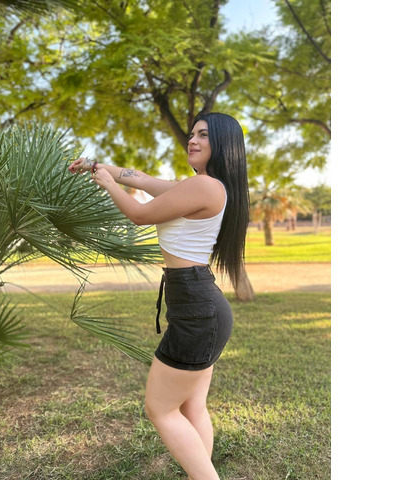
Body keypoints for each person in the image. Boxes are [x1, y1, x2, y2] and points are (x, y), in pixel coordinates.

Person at [67, 112, 249, 479]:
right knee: (192, 407)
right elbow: (141, 178)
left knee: (160, 409)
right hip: (200, 307)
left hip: (197, 310)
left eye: (203, 135)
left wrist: (107, 184)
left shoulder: (205, 186)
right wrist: (95, 166)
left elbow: (139, 214)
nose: (192, 140)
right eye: (192, 134)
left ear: (224, 143)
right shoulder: (202, 186)